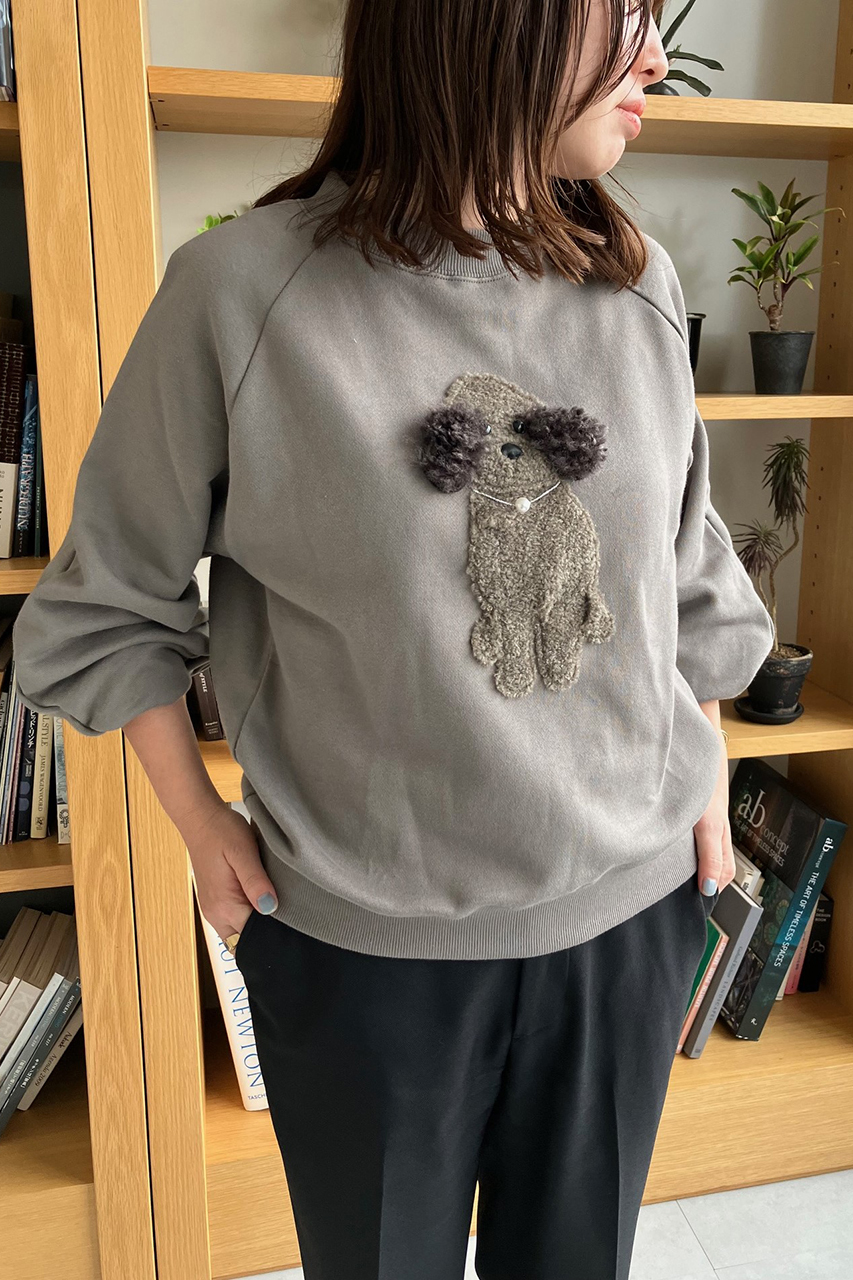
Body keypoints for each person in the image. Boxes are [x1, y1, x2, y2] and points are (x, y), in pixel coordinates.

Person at [11, 0, 774, 1276]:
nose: (655, 56)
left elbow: (680, 569)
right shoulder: (239, 294)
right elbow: (108, 604)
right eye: (625, 13)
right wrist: (200, 826)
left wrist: (706, 771)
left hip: (627, 925)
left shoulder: (634, 279)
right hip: (364, 958)